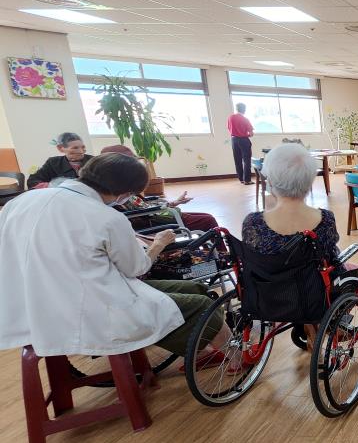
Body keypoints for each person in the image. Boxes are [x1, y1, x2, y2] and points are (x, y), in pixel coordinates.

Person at [0, 153, 225, 360]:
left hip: (30, 309)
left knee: (192, 290)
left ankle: (199, 353)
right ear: (125, 194)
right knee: (202, 305)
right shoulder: (106, 216)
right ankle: (233, 357)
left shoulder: (19, 202)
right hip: (92, 311)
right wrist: (158, 244)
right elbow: (136, 269)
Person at [242, 143, 341, 263]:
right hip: (316, 275)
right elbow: (332, 260)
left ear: (271, 182)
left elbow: (250, 264)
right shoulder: (327, 220)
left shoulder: (253, 223)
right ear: (310, 181)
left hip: (270, 275)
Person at [99, 145, 220, 233]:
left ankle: (210, 253)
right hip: (155, 220)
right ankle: (220, 255)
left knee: (206, 216)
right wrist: (168, 206)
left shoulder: (117, 185)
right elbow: (142, 211)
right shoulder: (118, 190)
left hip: (158, 215)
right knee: (208, 220)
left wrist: (174, 202)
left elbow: (143, 205)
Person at [26, 132, 93, 189]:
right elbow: (33, 181)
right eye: (75, 148)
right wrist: (54, 187)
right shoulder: (53, 163)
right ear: (60, 148)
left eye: (83, 147)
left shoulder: (93, 161)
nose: (81, 151)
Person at [228, 103, 254, 186]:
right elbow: (251, 133)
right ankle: (247, 180)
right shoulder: (245, 119)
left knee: (237, 160)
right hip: (244, 140)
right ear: (244, 109)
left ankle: (241, 179)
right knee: (247, 161)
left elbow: (229, 129)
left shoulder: (230, 117)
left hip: (234, 140)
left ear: (237, 109)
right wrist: (246, 134)